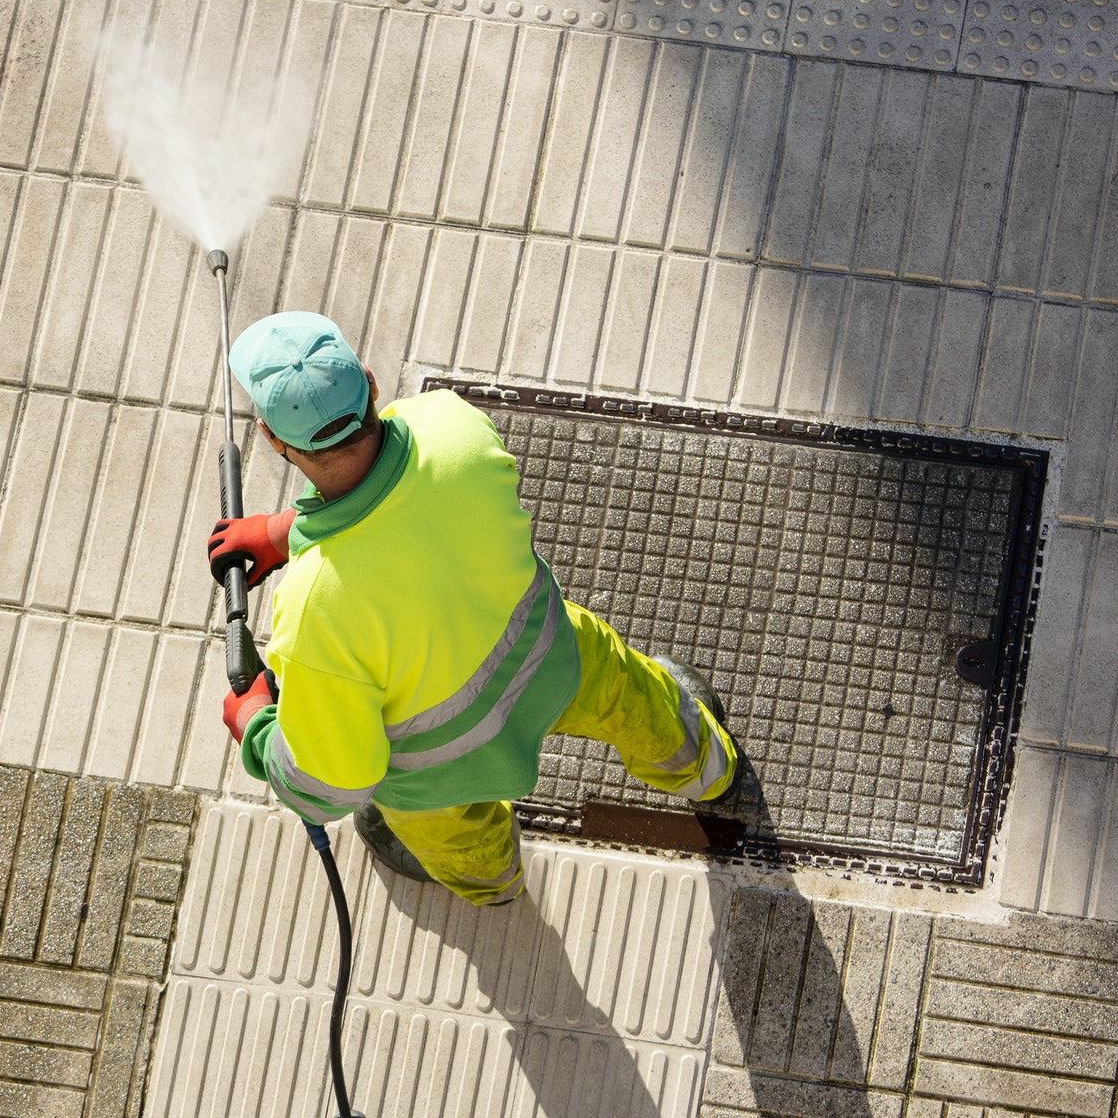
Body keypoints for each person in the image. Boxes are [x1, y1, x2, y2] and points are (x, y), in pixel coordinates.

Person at [210, 311, 742, 906]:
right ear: (371, 382)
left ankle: (495, 888)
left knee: (459, 840)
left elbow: (330, 785)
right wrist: (289, 531)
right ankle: (709, 769)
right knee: (634, 697)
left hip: (439, 769)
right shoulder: (452, 424)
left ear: (271, 439)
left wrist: (256, 726)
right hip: (551, 654)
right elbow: (407, 514)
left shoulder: (313, 611)